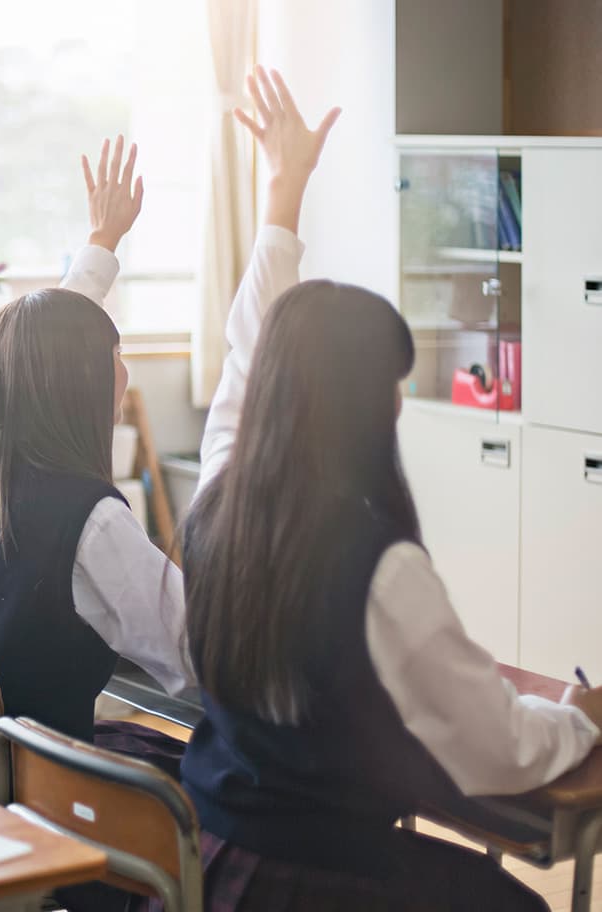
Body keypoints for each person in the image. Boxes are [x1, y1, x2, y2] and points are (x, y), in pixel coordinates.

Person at [177, 67, 602, 911]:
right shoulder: (376, 567)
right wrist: (582, 713)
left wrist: (282, 196)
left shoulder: (216, 500)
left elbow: (245, 354)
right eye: (392, 385)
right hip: (316, 883)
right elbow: (501, 750)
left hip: (212, 858)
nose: (402, 401)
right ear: (362, 404)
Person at [0, 135, 192, 797]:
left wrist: (104, 239)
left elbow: (36, 343)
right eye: (113, 355)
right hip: (42, 796)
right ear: (84, 382)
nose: (123, 372)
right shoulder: (90, 521)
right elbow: (195, 654)